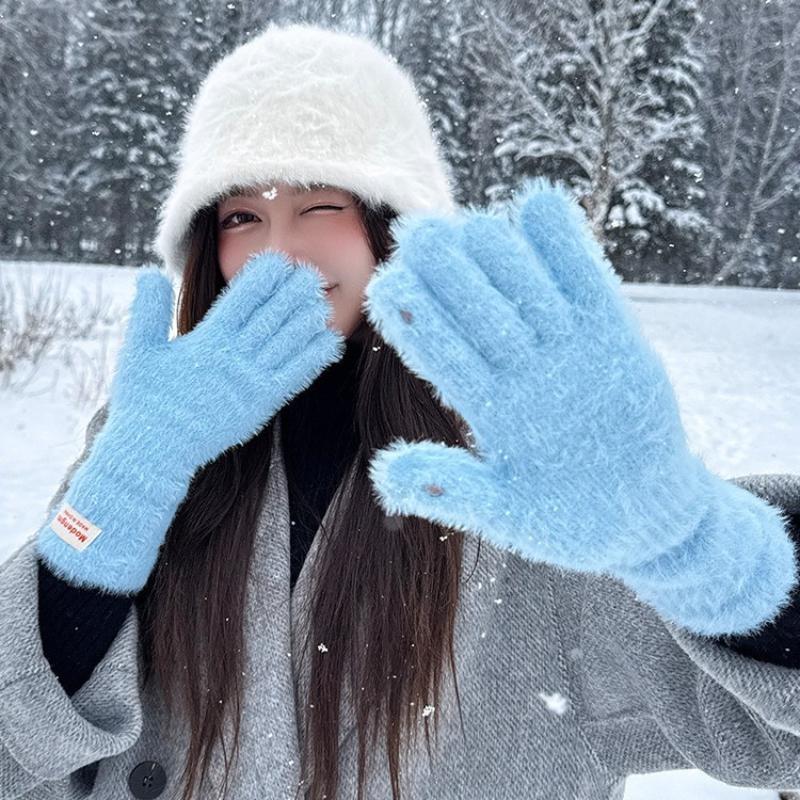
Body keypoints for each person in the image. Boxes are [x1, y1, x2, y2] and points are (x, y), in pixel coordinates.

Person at [3, 20, 800, 800]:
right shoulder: (152, 434)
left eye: (320, 206)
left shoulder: (524, 468)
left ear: (392, 226)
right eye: (242, 216)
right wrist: (114, 502)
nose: (278, 250)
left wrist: (694, 544)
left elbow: (775, 728)